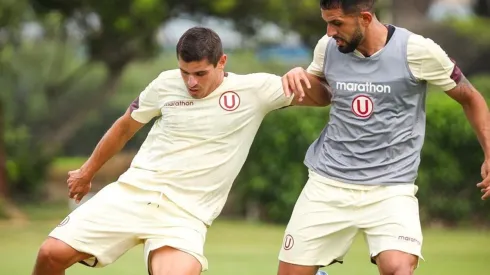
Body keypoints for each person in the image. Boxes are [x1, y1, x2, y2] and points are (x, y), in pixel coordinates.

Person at [31, 27, 330, 275]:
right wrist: (87, 172)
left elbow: (322, 97)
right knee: (49, 254)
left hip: (185, 214)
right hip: (133, 192)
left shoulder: (255, 90)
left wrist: (300, 75)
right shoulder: (164, 84)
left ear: (222, 62)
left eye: (200, 73)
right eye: (184, 72)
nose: (191, 82)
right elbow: (124, 127)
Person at [278, 1, 490, 275]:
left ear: (365, 17)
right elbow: (323, 96)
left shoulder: (417, 50)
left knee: (398, 269)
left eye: (337, 23)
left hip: (391, 187)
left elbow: (471, 97)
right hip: (328, 182)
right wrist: (301, 78)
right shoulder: (328, 47)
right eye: (327, 23)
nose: (330, 32)